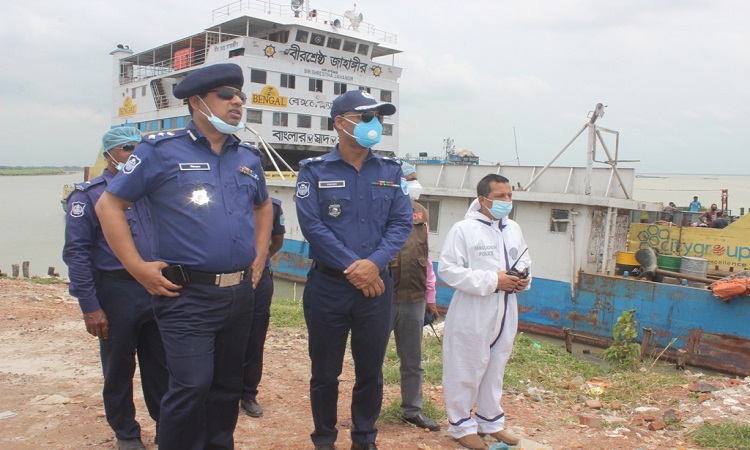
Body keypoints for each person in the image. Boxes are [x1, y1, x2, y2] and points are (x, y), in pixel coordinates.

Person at [95, 63, 273, 450]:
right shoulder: (160, 151)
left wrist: (259, 257)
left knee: (227, 387)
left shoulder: (247, 158)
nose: (237, 102)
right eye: (226, 94)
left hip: (240, 294)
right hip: (186, 295)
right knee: (191, 385)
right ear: (197, 102)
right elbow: (109, 205)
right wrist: (136, 267)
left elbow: (263, 208)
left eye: (240, 95)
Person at [295, 89, 412, 450]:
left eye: (377, 117)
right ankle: (324, 439)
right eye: (365, 117)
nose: (373, 124)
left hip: (376, 288)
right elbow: (312, 225)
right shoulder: (313, 170)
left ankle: (364, 438)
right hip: (330, 287)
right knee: (325, 372)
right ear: (339, 123)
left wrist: (374, 265)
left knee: (371, 372)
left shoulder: (392, 171)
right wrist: (354, 266)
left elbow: (401, 223)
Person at [63, 127, 168, 450]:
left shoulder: (151, 191)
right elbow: (77, 254)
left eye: (138, 149)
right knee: (119, 366)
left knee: (163, 365)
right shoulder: (89, 196)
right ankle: (126, 431)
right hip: (116, 292)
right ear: (109, 154)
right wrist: (90, 306)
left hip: (157, 289)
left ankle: (167, 425)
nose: (133, 154)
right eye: (126, 148)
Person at [438, 174, 532, 450]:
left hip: (505, 307)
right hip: (473, 308)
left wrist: (523, 279)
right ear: (482, 199)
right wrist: (493, 280)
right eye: (500, 196)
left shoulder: (512, 228)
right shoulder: (463, 229)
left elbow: (524, 258)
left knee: (496, 365)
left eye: (509, 196)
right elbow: (448, 270)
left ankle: (490, 421)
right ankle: (461, 426)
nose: (506, 201)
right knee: (466, 366)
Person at [388, 161, 440, 432]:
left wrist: (430, 296)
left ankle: (412, 410)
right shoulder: (377, 208)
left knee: (413, 360)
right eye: (407, 179)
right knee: (371, 359)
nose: (413, 184)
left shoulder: (421, 212)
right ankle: (367, 411)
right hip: (382, 296)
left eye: (414, 178)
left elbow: (426, 257)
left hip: (415, 297)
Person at [241, 197, 286, 418]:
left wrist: (259, 261)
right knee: (222, 336)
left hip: (260, 279)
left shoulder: (273, 206)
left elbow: (277, 242)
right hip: (226, 277)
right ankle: (221, 391)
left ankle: (248, 394)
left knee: (255, 336)